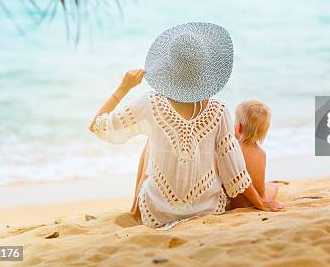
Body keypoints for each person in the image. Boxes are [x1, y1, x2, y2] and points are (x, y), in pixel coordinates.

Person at [89, 22, 282, 230]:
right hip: (206, 208)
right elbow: (235, 172)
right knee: (158, 137)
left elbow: (97, 126)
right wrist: (260, 202)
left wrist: (123, 87)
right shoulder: (219, 111)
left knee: (151, 138)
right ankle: (142, 208)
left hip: (156, 212)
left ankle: (134, 209)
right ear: (204, 70)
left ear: (168, 68)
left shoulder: (151, 103)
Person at [228, 100, 278, 209]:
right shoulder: (262, 153)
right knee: (273, 187)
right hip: (256, 200)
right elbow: (260, 188)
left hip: (236, 205)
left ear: (239, 127)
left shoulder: (233, 150)